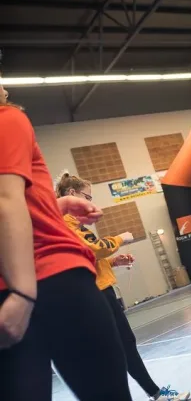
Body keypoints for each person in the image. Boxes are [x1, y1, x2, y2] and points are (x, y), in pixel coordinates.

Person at [0, 84, 134, 400]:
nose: (4, 86)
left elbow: (15, 200)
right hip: (52, 280)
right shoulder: (7, 119)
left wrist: (54, 206)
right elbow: (6, 201)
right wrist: (23, 292)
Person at [56, 173, 190, 401]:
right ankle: (156, 394)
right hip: (94, 294)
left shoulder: (73, 225)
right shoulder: (67, 224)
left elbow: (85, 257)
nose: (90, 203)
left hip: (98, 291)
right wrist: (120, 238)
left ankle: (155, 393)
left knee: (123, 347)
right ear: (71, 194)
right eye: (87, 197)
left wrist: (112, 262)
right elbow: (94, 249)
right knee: (118, 350)